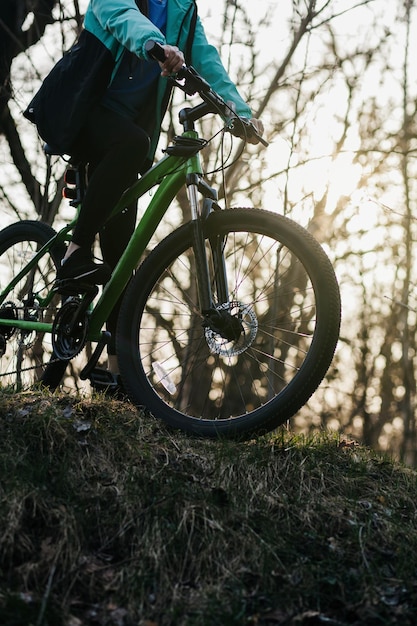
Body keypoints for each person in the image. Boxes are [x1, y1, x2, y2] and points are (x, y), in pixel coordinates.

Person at [55, 0, 264, 382]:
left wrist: (240, 113)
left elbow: (206, 60)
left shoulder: (183, 9)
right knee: (134, 145)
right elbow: (119, 16)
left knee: (122, 265)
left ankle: (119, 376)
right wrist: (157, 45)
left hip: (128, 136)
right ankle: (74, 252)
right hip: (84, 111)